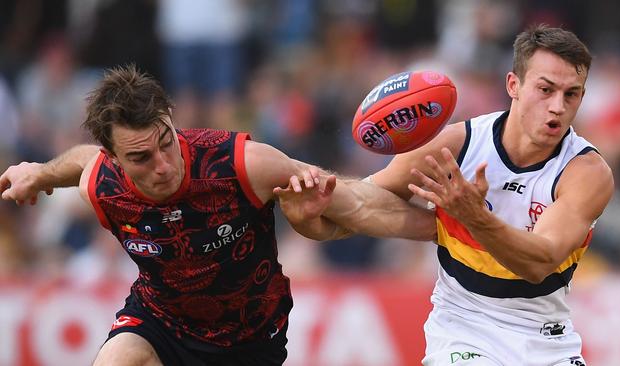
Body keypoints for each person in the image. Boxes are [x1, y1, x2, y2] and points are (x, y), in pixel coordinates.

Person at [0, 65, 437, 365]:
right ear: (114, 158)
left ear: (171, 119)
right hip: (160, 321)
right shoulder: (101, 182)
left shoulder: (243, 163)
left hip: (249, 338)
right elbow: (82, 161)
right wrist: (40, 174)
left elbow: (358, 204)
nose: (163, 164)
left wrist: (448, 228)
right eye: (140, 157)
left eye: (165, 142)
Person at [276, 24, 612, 365]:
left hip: (548, 340)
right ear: (514, 85)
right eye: (546, 89)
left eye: (571, 94)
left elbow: (538, 263)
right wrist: (315, 209)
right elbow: (364, 204)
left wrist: (472, 216)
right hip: (465, 331)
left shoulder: (586, 173)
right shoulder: (455, 146)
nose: (557, 106)